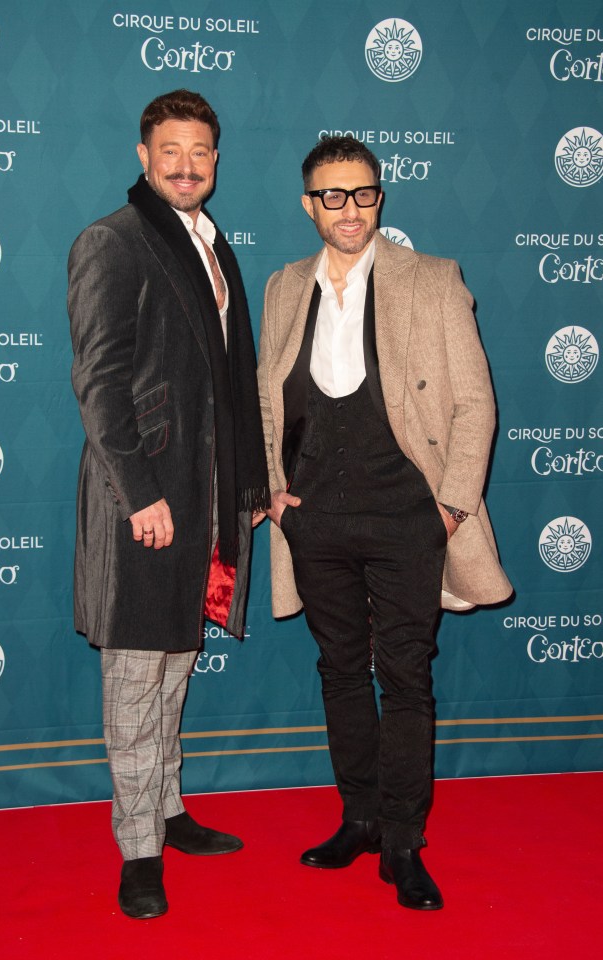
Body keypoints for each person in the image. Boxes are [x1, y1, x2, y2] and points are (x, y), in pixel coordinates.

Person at [257, 135, 512, 911]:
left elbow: (473, 401)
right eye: (331, 196)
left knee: (404, 677)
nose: (348, 209)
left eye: (361, 193)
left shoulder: (432, 280)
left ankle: (402, 840)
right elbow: (264, 401)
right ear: (309, 204)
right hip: (315, 519)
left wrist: (450, 505)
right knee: (338, 671)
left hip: (409, 516)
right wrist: (271, 490)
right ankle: (358, 818)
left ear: (379, 197)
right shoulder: (280, 286)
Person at [68, 89, 269, 919]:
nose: (187, 166)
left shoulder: (213, 244)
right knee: (135, 674)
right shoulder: (111, 242)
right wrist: (140, 494)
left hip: (208, 495)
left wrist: (251, 488)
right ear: (143, 152)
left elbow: (234, 376)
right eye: (171, 151)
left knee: (177, 663)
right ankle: (137, 847)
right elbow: (100, 384)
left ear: (215, 158)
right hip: (142, 498)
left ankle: (169, 806)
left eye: (202, 152)